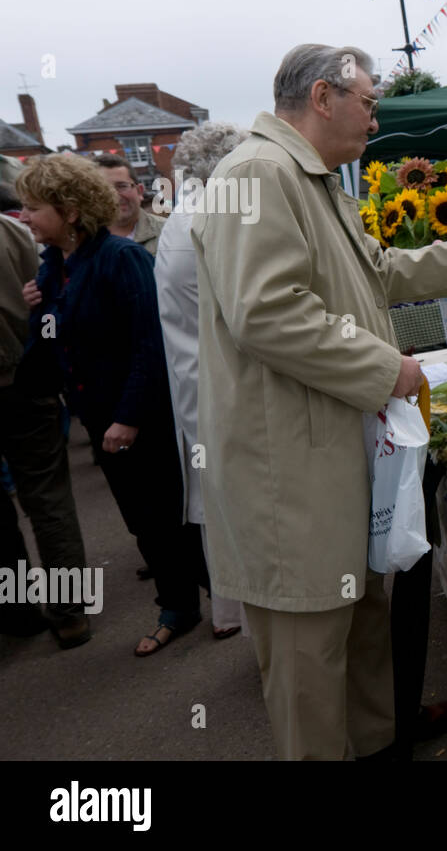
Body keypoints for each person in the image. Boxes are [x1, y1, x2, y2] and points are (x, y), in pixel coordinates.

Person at [191, 43, 447, 761]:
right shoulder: (260, 174)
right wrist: (385, 367)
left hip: (329, 460)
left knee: (360, 629)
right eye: (369, 101)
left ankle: (379, 742)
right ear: (324, 97)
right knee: (310, 669)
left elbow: (378, 272)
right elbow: (266, 311)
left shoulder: (315, 179)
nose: (376, 116)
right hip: (287, 480)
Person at [16, 154, 208, 656]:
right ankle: (182, 606)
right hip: (102, 418)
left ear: (71, 211)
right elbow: (51, 352)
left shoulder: (122, 260)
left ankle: (217, 601)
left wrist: (128, 418)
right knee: (143, 520)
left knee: (173, 516)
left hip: (143, 417)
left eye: (34, 207)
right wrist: (40, 312)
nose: (25, 217)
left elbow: (151, 343)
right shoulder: (54, 268)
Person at [155, 121, 248, 640]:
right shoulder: (210, 221)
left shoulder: (179, 220)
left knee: (224, 516)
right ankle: (262, 638)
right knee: (242, 521)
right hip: (222, 392)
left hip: (198, 391)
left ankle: (236, 619)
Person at [0, 209, 92, 647]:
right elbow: (45, 297)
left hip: (23, 380)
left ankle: (17, 611)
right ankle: (70, 612)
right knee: (48, 499)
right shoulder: (13, 232)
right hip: (25, 379)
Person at [93, 157, 166, 255]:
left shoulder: (168, 231)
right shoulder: (84, 241)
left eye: (122, 186)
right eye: (104, 189)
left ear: (139, 191)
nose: (114, 196)